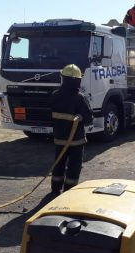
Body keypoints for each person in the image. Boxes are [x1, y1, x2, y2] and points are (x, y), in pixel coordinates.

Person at [51, 64, 93, 193]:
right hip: (76, 140)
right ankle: (69, 190)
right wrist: (81, 116)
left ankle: (55, 189)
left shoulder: (55, 95)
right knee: (74, 165)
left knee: (59, 163)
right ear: (78, 80)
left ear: (63, 78)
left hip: (59, 138)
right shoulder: (80, 97)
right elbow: (88, 118)